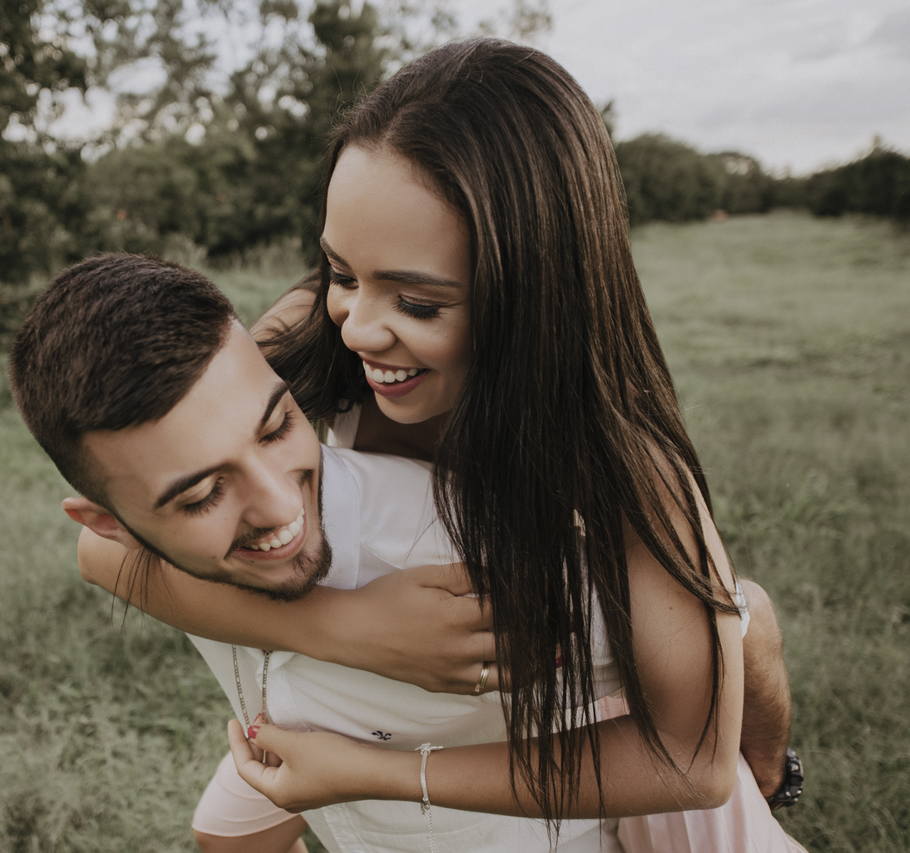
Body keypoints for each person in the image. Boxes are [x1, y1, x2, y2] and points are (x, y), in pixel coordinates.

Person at [75, 38, 803, 853]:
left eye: (418, 303)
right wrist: (349, 629)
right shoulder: (316, 327)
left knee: (745, 626)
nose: (358, 323)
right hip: (376, 693)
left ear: (532, 293)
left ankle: (776, 785)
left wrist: (379, 772)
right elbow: (102, 548)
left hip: (550, 723)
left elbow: (691, 760)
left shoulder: (620, 462)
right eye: (342, 270)